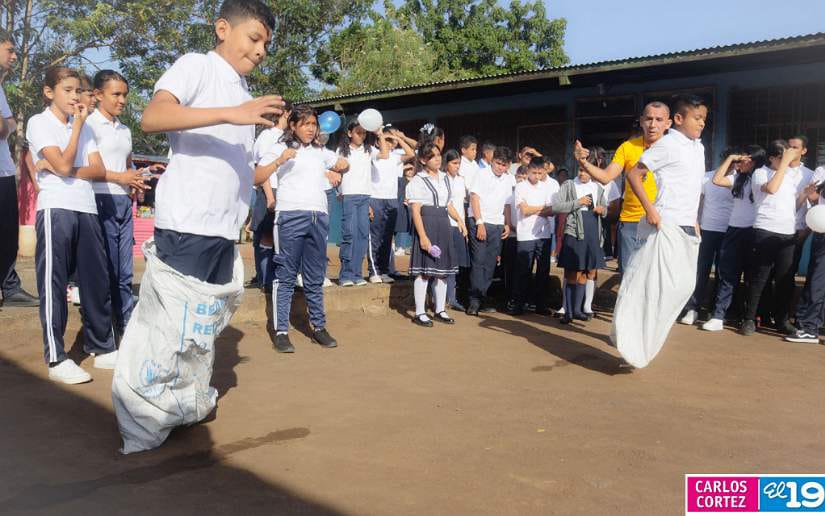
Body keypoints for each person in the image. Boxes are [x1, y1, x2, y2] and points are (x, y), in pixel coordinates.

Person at [26, 66, 117, 383]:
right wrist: (77, 128)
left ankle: (102, 347)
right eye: (67, 90)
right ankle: (56, 357)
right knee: (54, 284)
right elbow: (65, 162)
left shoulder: (87, 128)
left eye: (78, 90)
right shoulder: (40, 123)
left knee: (96, 281)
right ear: (49, 92)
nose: (75, 96)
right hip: (56, 209)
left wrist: (61, 169)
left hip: (86, 208)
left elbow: (98, 169)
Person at [256, 105, 347, 352]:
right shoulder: (279, 147)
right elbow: (256, 176)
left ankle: (318, 326)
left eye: (314, 124)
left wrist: (339, 165)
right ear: (293, 125)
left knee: (315, 276)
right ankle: (281, 331)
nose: (311, 128)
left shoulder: (319, 151)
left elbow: (343, 165)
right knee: (285, 276)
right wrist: (279, 160)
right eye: (306, 123)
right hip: (290, 216)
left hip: (319, 216)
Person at [86, 70, 158, 341]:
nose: (122, 100)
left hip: (122, 203)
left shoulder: (125, 130)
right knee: (104, 270)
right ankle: (103, 331)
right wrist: (121, 177)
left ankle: (126, 327)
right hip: (97, 200)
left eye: (125, 94)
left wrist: (143, 174)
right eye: (116, 94)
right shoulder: (87, 127)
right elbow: (83, 169)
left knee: (125, 271)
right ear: (97, 95)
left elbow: (127, 168)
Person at [575, 101, 672, 273]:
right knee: (629, 278)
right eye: (648, 119)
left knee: (657, 277)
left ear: (668, 123)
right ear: (641, 121)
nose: (653, 124)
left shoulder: (675, 149)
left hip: (664, 221)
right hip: (631, 223)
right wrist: (583, 163)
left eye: (659, 119)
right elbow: (606, 177)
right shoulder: (627, 147)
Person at [737, 141, 801, 336]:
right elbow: (771, 189)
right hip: (765, 230)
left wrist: (804, 195)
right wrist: (783, 166)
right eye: (782, 157)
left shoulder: (789, 175)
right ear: (772, 158)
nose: (787, 162)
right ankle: (749, 319)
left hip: (787, 233)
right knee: (759, 278)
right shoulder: (760, 173)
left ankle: (781, 320)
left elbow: (791, 205)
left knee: (784, 279)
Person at [701, 146, 764, 331]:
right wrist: (730, 158)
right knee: (727, 274)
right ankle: (719, 316)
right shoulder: (737, 178)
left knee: (752, 277)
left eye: (743, 160)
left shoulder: (761, 178)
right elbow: (717, 179)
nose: (739, 163)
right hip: (734, 231)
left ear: (753, 161)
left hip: (755, 232)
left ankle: (747, 318)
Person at [407, 142, 467, 326]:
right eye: (432, 156)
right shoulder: (418, 180)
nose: (438, 158)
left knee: (443, 272)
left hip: (443, 225)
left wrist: (460, 221)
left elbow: (448, 205)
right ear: (423, 160)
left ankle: (440, 309)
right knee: (424, 272)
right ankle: (419, 312)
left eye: (438, 154)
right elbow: (416, 211)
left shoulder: (445, 178)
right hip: (428, 223)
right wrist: (423, 236)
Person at [0, 30, 38, 308]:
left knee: (7, 233)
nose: (14, 56)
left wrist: (6, 125)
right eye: (9, 50)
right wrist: (4, 125)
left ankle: (10, 287)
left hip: (3, 171)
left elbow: (9, 125)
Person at [678, 149, 736, 325]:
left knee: (723, 272)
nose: (735, 164)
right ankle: (692, 308)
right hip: (707, 229)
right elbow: (698, 202)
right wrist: (695, 221)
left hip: (730, 231)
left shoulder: (739, 180)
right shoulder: (707, 177)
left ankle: (715, 311)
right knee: (700, 271)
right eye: (732, 160)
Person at [553, 151, 607, 323]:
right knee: (571, 271)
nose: (583, 173)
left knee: (586, 270)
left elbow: (605, 209)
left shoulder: (598, 188)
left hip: (592, 229)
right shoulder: (569, 185)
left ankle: (578, 309)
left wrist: (602, 210)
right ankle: (567, 311)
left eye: (586, 170)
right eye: (580, 170)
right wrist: (578, 203)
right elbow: (557, 206)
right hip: (574, 229)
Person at [466, 146, 515, 315]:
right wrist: (479, 222)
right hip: (480, 221)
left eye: (504, 165)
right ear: (492, 160)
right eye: (498, 163)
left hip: (497, 224)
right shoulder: (482, 173)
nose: (500, 167)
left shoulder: (509, 179)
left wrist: (507, 223)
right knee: (478, 261)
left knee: (490, 263)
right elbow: (474, 197)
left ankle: (482, 297)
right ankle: (473, 300)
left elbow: (508, 204)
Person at [510, 156, 559, 316]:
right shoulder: (521, 187)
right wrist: (541, 209)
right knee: (523, 270)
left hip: (543, 234)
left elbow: (551, 210)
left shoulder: (546, 187)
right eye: (534, 173)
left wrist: (535, 209)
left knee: (543, 271)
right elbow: (524, 210)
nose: (536, 176)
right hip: (525, 234)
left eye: (539, 173)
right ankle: (518, 304)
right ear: (528, 170)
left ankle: (540, 304)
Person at [250, 102, 291, 291]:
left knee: (278, 238)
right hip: (270, 190)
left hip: (282, 190)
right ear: (286, 114)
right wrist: (269, 197)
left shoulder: (285, 137)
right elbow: (261, 168)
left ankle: (273, 279)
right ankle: (265, 280)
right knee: (266, 237)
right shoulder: (269, 136)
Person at [368, 127, 414, 283]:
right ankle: (373, 271)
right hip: (375, 198)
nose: (390, 143)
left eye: (391, 141)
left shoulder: (395, 156)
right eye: (387, 140)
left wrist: (398, 137)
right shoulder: (373, 153)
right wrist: (382, 135)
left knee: (387, 237)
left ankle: (384, 270)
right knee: (375, 237)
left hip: (392, 199)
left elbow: (411, 154)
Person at [786, 177, 825, 343]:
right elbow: (817, 201)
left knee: (817, 284)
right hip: (820, 233)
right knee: (815, 282)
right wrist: (811, 194)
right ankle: (809, 325)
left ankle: (810, 328)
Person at [337, 121, 376, 287]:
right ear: (350, 133)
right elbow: (336, 169)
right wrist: (340, 190)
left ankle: (357, 273)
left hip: (364, 197)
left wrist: (380, 134)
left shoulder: (369, 150)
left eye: (364, 133)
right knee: (349, 234)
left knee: (362, 236)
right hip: (349, 197)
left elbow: (385, 155)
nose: (361, 136)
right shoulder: (341, 151)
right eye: (358, 132)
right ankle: (345, 274)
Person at [443, 149, 470, 310]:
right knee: (445, 262)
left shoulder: (461, 180)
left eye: (459, 163)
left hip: (460, 226)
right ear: (446, 164)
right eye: (454, 163)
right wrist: (459, 221)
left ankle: (452, 298)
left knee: (456, 263)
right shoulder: (442, 179)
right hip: (447, 224)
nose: (457, 166)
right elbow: (448, 204)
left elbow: (462, 204)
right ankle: (441, 297)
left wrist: (463, 224)